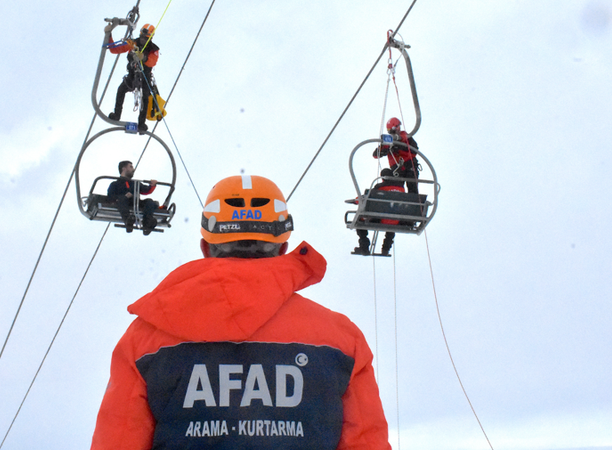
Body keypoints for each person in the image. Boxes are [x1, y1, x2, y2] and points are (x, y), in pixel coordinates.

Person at [90, 175, 391, 450]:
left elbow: (117, 441)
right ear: (282, 247)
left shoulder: (144, 340)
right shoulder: (342, 340)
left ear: (206, 247)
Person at [104, 22, 161, 132]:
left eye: (145, 38)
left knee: (145, 98)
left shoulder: (154, 49)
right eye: (142, 36)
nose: (143, 39)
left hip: (145, 78)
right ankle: (117, 114)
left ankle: (141, 124)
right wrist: (109, 34)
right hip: (133, 76)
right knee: (121, 90)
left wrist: (143, 58)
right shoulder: (132, 44)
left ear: (150, 38)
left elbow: (152, 62)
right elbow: (114, 49)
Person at [353, 169, 404, 256]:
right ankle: (386, 249)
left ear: (383, 178)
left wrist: (356, 200)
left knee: (359, 220)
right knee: (392, 220)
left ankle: (364, 247)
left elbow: (366, 198)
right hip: (397, 220)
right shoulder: (401, 188)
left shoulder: (380, 187)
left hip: (380, 219)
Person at [106, 160, 159, 235]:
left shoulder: (135, 183)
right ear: (124, 168)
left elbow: (146, 190)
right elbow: (110, 197)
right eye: (130, 167)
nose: (133, 169)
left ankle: (147, 222)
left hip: (135, 202)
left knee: (149, 201)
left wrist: (152, 185)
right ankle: (128, 221)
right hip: (124, 203)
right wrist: (124, 197)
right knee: (122, 199)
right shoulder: (115, 184)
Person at [373, 117, 419, 194]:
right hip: (397, 169)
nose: (399, 129)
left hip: (409, 165)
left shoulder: (405, 136)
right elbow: (375, 155)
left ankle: (414, 199)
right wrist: (383, 150)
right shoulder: (389, 140)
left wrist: (399, 147)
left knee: (412, 186)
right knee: (396, 185)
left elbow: (414, 150)